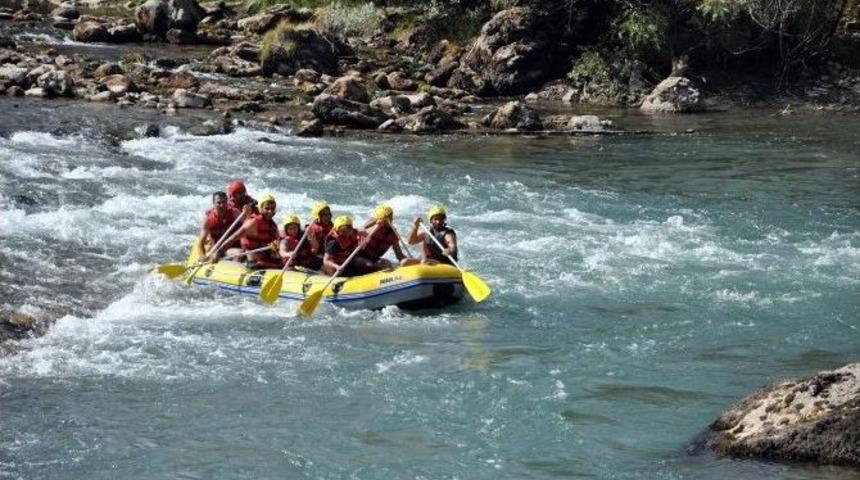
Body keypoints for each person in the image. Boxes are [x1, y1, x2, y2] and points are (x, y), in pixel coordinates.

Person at [220, 193, 282, 269]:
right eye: (267, 208)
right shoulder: (253, 222)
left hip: (264, 256)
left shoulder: (273, 225)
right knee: (245, 255)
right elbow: (233, 237)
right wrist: (218, 253)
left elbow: (277, 243)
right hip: (251, 258)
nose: (270, 211)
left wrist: (276, 246)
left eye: (272, 209)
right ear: (260, 209)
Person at [360, 204, 419, 270]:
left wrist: (409, 261)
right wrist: (376, 223)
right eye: (388, 217)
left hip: (374, 259)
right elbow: (359, 230)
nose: (390, 219)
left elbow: (399, 255)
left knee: (387, 264)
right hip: (359, 258)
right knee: (372, 265)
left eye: (390, 216)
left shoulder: (393, 234)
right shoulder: (371, 228)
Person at [195, 191, 241, 261]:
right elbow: (201, 242)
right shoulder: (208, 220)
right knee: (239, 253)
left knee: (241, 252)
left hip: (233, 246)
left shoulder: (235, 213)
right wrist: (202, 256)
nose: (222, 205)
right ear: (213, 204)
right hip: (218, 248)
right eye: (219, 203)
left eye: (224, 202)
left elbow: (248, 226)